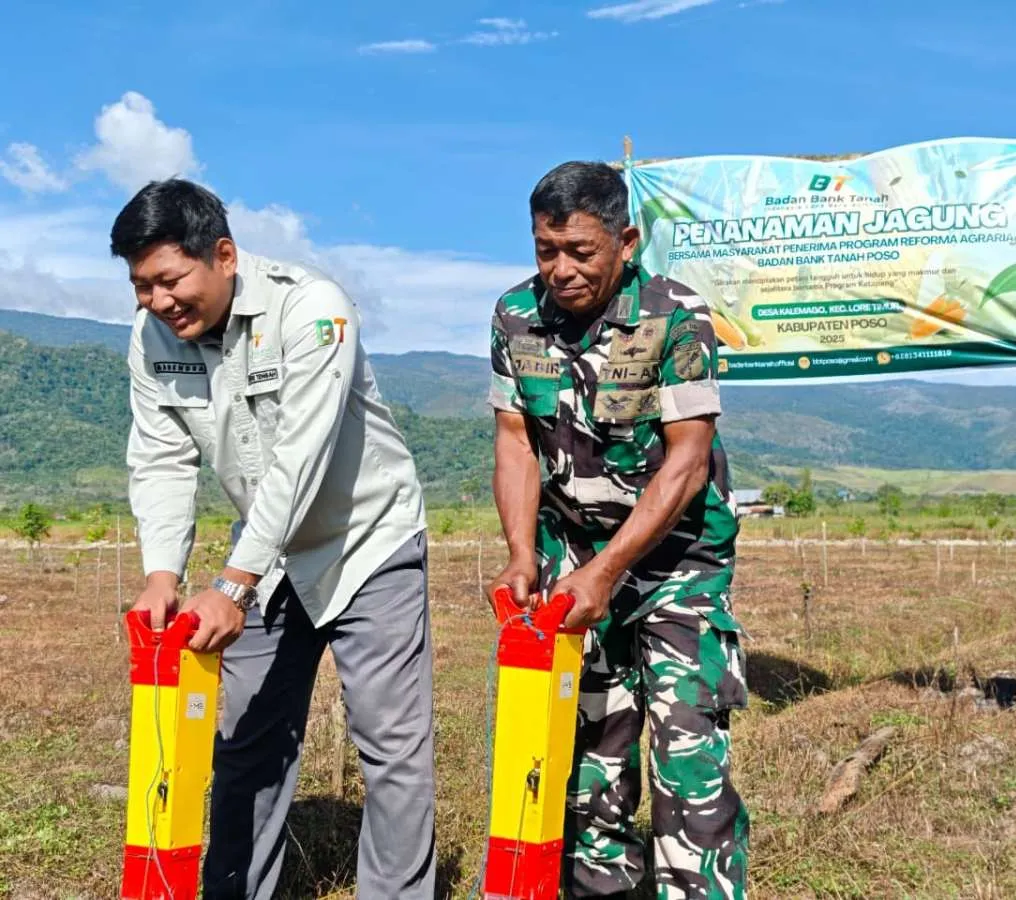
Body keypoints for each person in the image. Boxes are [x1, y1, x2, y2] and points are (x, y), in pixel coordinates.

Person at [113, 178, 434, 898]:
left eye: (168, 280)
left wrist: (232, 583)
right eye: (140, 286)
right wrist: (163, 572)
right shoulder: (151, 337)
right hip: (270, 554)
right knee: (247, 747)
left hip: (366, 543)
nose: (156, 302)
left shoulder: (312, 307)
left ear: (223, 254)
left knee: (391, 750)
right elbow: (161, 457)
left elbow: (303, 455)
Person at [487, 161, 748, 899]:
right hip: (570, 562)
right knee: (588, 761)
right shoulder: (514, 317)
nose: (561, 270)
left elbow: (688, 461)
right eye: (546, 250)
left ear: (625, 241)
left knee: (685, 762)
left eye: (580, 251)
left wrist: (609, 573)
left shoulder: (675, 314)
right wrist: (520, 555)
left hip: (675, 565)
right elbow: (515, 440)